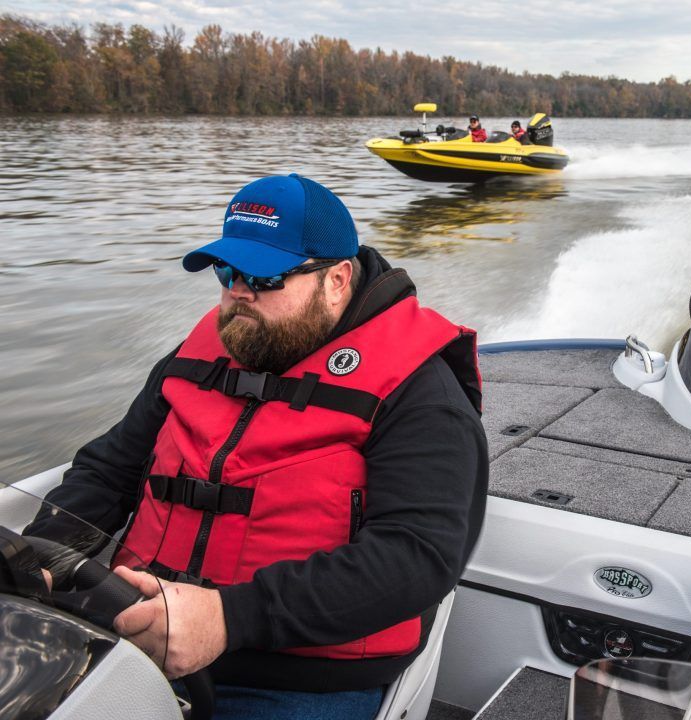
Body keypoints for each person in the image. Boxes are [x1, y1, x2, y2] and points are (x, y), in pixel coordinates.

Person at [25, 174, 488, 720]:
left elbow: (416, 558)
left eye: (264, 275)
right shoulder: (202, 353)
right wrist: (41, 556)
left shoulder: (420, 391)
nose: (239, 290)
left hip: (298, 678)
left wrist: (228, 617)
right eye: (227, 270)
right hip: (133, 625)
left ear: (337, 279)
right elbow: (110, 468)